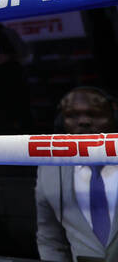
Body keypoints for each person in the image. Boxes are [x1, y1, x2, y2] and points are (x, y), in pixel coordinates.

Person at [36, 86, 118, 261]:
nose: (84, 122)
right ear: (61, 121)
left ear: (113, 116)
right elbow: (49, 238)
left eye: (94, 114)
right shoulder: (49, 171)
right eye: (72, 115)